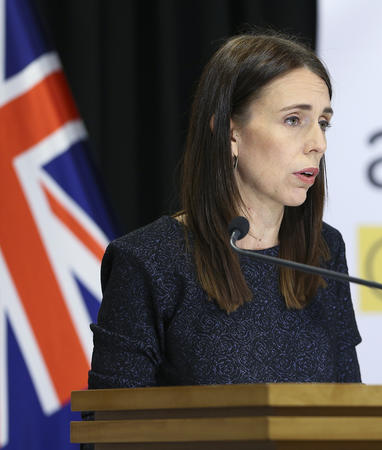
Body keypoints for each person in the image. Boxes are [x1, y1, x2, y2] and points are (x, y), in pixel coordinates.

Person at [88, 34, 362, 388]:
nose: (318, 144)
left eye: (322, 122)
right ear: (231, 132)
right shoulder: (148, 261)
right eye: (294, 120)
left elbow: (348, 408)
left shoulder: (325, 249)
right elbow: (109, 429)